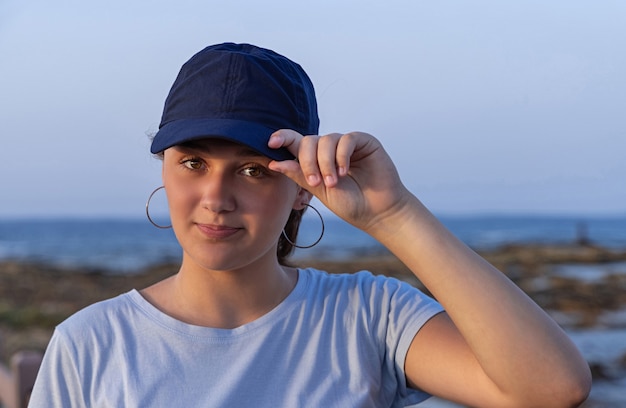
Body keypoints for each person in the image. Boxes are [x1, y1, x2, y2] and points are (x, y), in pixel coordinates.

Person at [29, 42, 591, 407]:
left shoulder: (369, 317)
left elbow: (552, 389)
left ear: (302, 189)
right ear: (166, 170)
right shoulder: (91, 344)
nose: (216, 198)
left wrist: (393, 213)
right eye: (194, 163)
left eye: (253, 170)